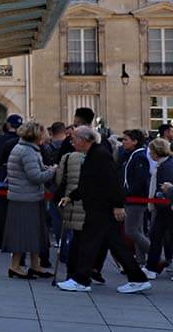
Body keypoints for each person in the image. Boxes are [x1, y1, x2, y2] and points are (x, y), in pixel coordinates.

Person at [58, 126, 151, 294]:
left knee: (89, 243)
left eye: (74, 139)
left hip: (101, 208)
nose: (72, 143)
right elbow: (88, 183)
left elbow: (112, 182)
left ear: (85, 140)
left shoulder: (100, 156)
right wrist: (72, 196)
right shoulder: (94, 155)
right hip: (99, 207)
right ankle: (137, 278)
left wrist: (118, 205)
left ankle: (81, 279)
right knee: (114, 245)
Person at [2, 121, 57, 279]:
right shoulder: (28, 151)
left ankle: (35, 264)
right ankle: (16, 266)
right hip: (26, 198)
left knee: (34, 232)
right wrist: (52, 171)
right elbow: (35, 177)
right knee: (24, 233)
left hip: (25, 196)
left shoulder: (25, 149)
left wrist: (45, 169)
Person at [0, 114, 23, 249]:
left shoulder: (1, 140)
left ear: (8, 124)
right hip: (20, 180)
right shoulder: (22, 140)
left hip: (3, 179)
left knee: (1, 212)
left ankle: (1, 239)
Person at [119, 130, 151, 264]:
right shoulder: (131, 155)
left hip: (136, 199)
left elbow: (140, 180)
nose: (123, 142)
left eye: (126, 139)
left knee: (131, 231)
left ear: (135, 141)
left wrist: (127, 193)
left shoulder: (139, 157)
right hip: (132, 197)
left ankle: (156, 256)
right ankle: (141, 260)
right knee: (137, 231)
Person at [54, 144, 85, 274]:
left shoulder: (67, 157)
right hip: (87, 200)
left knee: (69, 231)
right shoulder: (94, 158)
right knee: (82, 236)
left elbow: (59, 179)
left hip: (70, 198)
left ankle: (67, 260)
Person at [145, 138, 173, 274]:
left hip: (166, 208)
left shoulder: (165, 166)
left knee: (158, 236)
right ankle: (151, 267)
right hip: (164, 208)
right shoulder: (164, 164)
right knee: (156, 236)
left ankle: (152, 267)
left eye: (151, 151)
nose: (149, 154)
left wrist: (158, 199)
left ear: (157, 152)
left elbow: (165, 189)